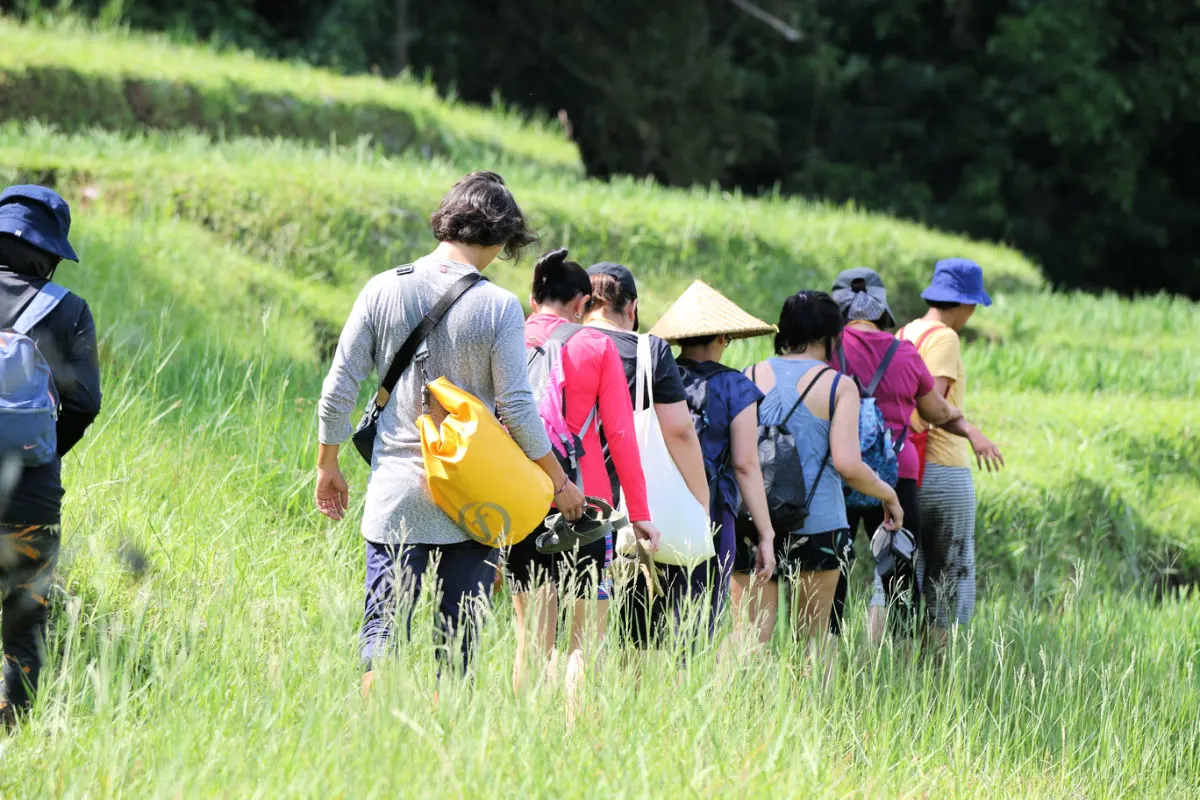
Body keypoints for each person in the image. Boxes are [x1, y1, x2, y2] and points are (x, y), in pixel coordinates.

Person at [315, 172, 586, 698]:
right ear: (502, 237)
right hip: (474, 502)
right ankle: (446, 750)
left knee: (382, 634)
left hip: (395, 493)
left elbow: (338, 389)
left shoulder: (382, 287)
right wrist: (559, 482)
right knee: (458, 645)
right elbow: (517, 410)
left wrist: (328, 465)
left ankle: (373, 741)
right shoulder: (499, 306)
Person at [509, 249, 659, 703]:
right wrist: (641, 512)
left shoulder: (510, 338)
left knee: (530, 640)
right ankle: (578, 744)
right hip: (589, 504)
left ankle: (526, 738)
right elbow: (620, 434)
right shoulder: (597, 346)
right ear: (581, 304)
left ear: (535, 299)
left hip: (522, 496)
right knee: (582, 643)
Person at [732, 291, 902, 675]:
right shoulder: (839, 386)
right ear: (831, 334)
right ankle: (810, 722)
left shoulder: (748, 375)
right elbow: (847, 463)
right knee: (812, 642)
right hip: (819, 524)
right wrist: (888, 493)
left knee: (750, 641)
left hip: (755, 523)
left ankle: (743, 721)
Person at [0, 185, 102, 727]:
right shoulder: (69, 312)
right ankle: (12, 736)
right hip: (30, 500)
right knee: (23, 628)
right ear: (50, 254)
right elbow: (85, 404)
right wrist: (40, 455)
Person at [826, 267, 963, 645]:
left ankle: (827, 653)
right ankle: (902, 669)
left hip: (840, 470)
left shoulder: (828, 349)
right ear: (881, 308)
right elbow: (935, 411)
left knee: (834, 568)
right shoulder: (904, 353)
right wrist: (958, 417)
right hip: (895, 478)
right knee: (899, 572)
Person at [583, 261, 709, 649]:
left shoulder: (562, 342)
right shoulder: (648, 350)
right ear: (632, 308)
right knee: (637, 633)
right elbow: (680, 431)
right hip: (632, 514)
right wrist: (699, 502)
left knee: (572, 635)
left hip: (565, 499)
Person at [649, 280, 778, 630]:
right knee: (699, 618)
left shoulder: (657, 377)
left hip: (653, 506)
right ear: (723, 338)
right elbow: (746, 464)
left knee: (649, 621)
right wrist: (765, 534)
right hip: (713, 510)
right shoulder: (736, 386)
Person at [897, 258, 1004, 633]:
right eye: (973, 304)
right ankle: (941, 678)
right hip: (943, 469)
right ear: (963, 303)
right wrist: (973, 433)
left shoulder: (905, 332)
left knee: (899, 573)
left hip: (906, 469)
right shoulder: (945, 337)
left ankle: (891, 666)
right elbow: (935, 406)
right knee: (950, 579)